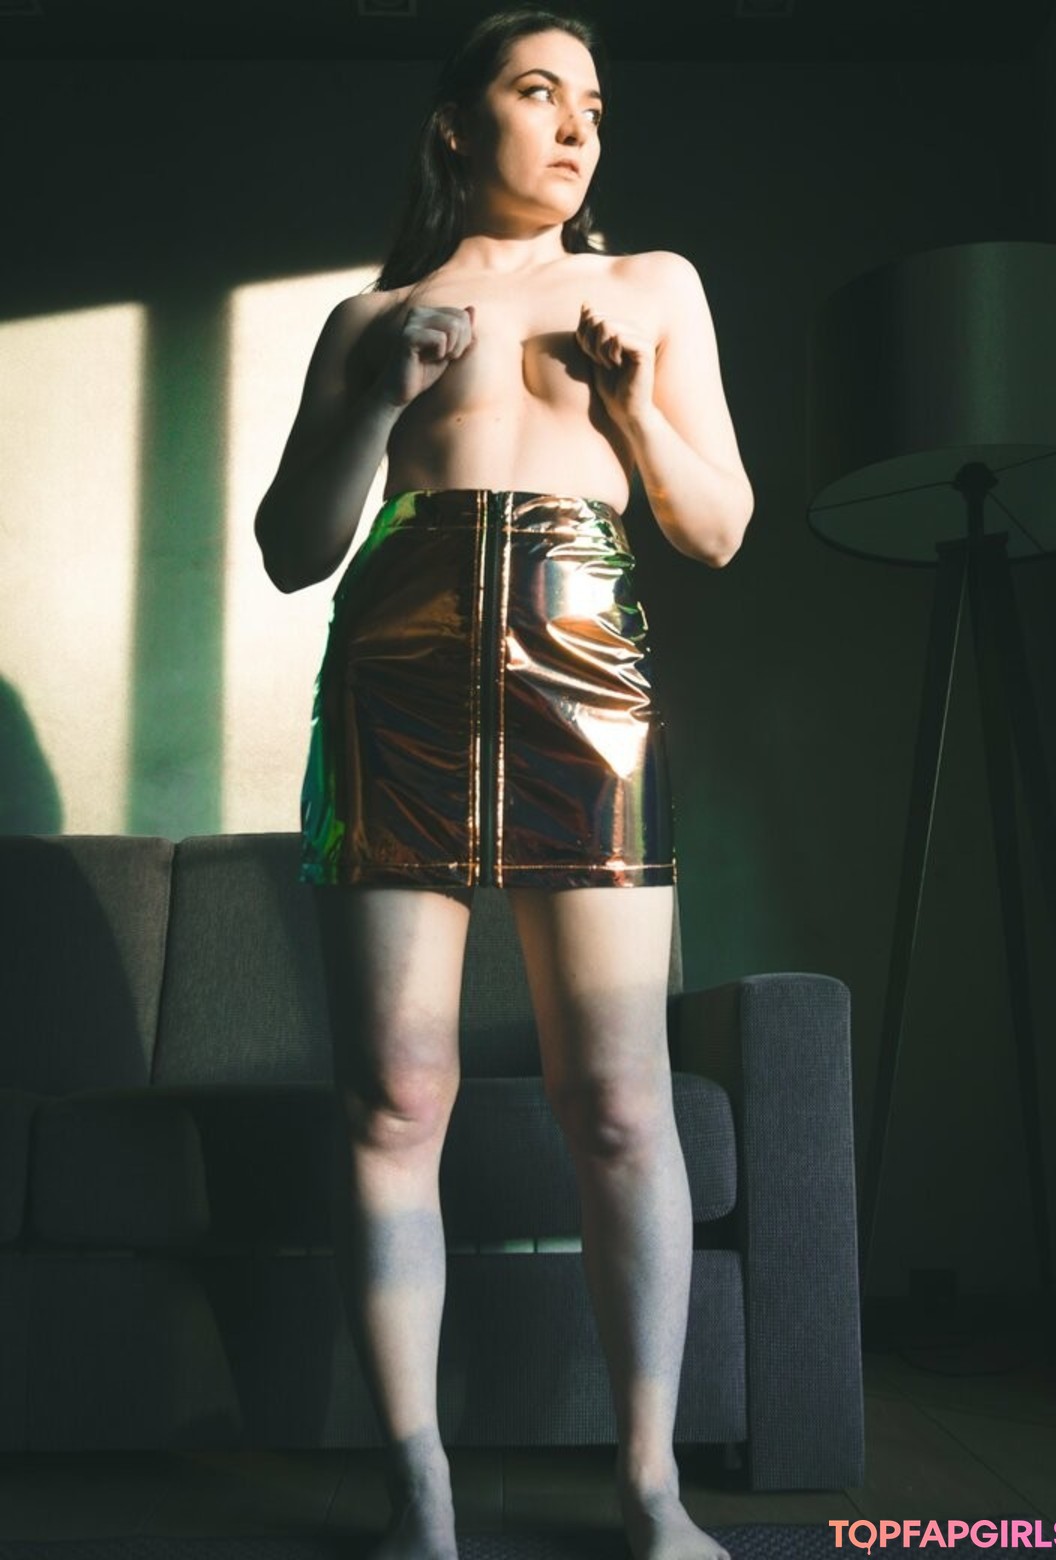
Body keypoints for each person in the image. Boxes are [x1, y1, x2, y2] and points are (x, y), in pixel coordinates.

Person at [255, 9, 753, 1558]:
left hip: (587, 678)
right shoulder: (372, 314)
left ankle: (649, 1488)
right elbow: (292, 549)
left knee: (618, 1100)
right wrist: (376, 393)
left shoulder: (649, 286)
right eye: (540, 91)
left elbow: (716, 527)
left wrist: (633, 403)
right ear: (458, 124)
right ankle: (419, 1487)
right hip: (396, 674)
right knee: (396, 1092)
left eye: (593, 100)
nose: (578, 124)